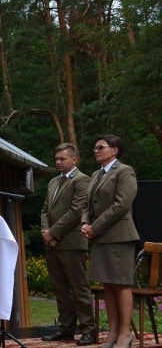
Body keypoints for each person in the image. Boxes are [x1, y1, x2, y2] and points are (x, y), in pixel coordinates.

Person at [81, 134, 139, 348]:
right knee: (108, 284)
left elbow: (122, 204)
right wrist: (85, 224)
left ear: (114, 150)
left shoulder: (125, 171)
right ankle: (113, 332)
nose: (96, 150)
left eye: (101, 147)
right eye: (95, 148)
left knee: (121, 284)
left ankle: (125, 333)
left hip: (119, 236)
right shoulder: (96, 175)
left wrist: (95, 227)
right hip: (100, 237)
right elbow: (88, 205)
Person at [40, 143, 96, 345]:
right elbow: (45, 210)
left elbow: (76, 211)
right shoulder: (53, 182)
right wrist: (46, 233)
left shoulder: (82, 180)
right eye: (56, 159)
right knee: (60, 289)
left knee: (78, 287)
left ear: (75, 159)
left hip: (71, 242)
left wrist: (53, 232)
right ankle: (66, 328)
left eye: (62, 159)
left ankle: (89, 329)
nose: (58, 162)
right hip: (52, 243)